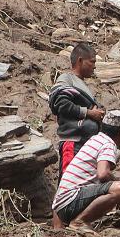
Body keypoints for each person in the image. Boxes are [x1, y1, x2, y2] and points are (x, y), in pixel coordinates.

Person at [51, 109, 120, 232]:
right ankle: (80, 222)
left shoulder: (95, 139)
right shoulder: (108, 144)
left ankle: (76, 222)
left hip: (60, 206)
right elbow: (103, 174)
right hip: (70, 201)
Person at [48, 44, 105, 174]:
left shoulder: (81, 83)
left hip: (84, 145)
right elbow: (61, 103)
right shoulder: (67, 79)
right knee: (68, 183)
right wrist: (89, 113)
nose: (94, 66)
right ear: (80, 60)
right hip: (73, 144)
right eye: (92, 62)